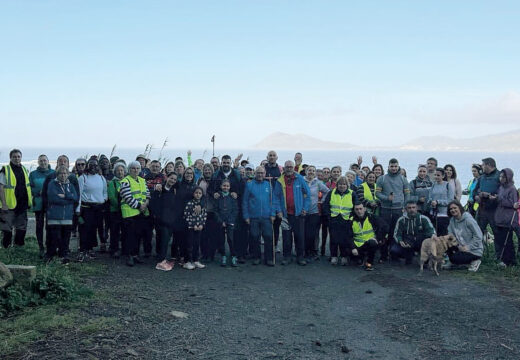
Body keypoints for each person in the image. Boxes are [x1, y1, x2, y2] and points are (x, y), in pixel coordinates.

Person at [273, 160, 311, 266]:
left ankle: (300, 257)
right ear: (284, 168)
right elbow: (275, 197)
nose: (289, 168)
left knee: (299, 236)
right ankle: (287, 256)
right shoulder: (279, 181)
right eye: (287, 167)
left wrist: (305, 208)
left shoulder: (300, 179)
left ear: (293, 168)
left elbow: (307, 194)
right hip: (285, 215)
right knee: (286, 237)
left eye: (290, 166)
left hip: (298, 214)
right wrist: (279, 211)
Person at [376, 158, 410, 262]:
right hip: (385, 210)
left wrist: (406, 206)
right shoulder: (381, 179)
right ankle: (383, 254)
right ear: (388, 166)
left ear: (398, 166)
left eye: (395, 166)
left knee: (396, 232)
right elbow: (377, 194)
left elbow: (407, 194)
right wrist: (387, 198)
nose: (394, 168)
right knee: (384, 232)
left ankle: (394, 253)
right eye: (392, 166)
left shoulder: (403, 179)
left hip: (398, 210)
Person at [242, 166, 276, 266]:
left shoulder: (268, 185)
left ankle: (269, 258)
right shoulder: (249, 185)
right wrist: (246, 216)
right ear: (255, 174)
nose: (260, 175)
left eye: (262, 173)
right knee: (255, 236)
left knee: (268, 237)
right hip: (253, 217)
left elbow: (273, 201)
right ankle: (256, 257)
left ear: (265, 174)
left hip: (267, 216)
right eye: (258, 173)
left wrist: (273, 213)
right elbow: (245, 201)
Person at [45, 165, 78, 264]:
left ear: (68, 174)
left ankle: (63, 256)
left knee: (65, 238)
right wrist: (68, 200)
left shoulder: (70, 185)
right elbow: (53, 198)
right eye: (61, 173)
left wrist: (65, 196)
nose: (63, 175)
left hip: (67, 217)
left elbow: (75, 197)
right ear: (57, 174)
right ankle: (50, 256)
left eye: (65, 173)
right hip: (55, 217)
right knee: (54, 238)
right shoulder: (52, 184)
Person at [120, 161, 150, 266]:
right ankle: (129, 257)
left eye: (137, 168)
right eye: (133, 168)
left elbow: (147, 194)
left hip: (141, 213)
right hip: (130, 213)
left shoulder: (142, 180)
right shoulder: (125, 181)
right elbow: (127, 197)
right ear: (129, 170)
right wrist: (139, 206)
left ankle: (135, 255)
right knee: (130, 236)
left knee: (138, 236)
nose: (136, 170)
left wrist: (145, 204)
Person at [77, 158, 108, 261]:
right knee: (84, 230)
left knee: (93, 230)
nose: (93, 167)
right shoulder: (83, 178)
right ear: (88, 166)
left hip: (98, 208)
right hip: (86, 208)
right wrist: (78, 209)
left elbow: (105, 192)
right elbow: (79, 194)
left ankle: (90, 250)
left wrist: (103, 199)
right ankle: (82, 251)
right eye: (91, 165)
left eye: (95, 165)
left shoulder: (101, 178)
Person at [322, 176, 357, 265]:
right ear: (337, 185)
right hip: (334, 218)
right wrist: (329, 216)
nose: (342, 186)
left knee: (345, 239)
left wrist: (351, 218)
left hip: (346, 219)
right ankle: (334, 256)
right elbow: (325, 205)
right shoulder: (331, 193)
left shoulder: (352, 194)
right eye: (340, 184)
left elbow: (356, 207)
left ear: (347, 185)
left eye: (344, 184)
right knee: (333, 238)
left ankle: (343, 256)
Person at [0, 149, 32, 248]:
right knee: (7, 228)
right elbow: (0, 187)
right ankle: (6, 247)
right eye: (14, 156)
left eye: (18, 156)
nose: (17, 158)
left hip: (22, 204)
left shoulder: (24, 169)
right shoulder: (5, 170)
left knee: (21, 227)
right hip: (9, 205)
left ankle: (19, 247)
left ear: (21, 157)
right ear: (10, 158)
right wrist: (4, 204)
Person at [390, 200, 435, 264]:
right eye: (409, 208)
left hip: (420, 243)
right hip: (406, 242)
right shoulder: (401, 220)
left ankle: (423, 256)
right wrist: (400, 241)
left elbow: (431, 231)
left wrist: (432, 236)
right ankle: (406, 257)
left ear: (417, 208)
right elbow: (396, 234)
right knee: (394, 251)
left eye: (413, 207)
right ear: (406, 209)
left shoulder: (424, 219)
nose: (412, 210)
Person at [444, 201, 483, 272]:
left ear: (460, 208)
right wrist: (457, 245)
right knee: (446, 243)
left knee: (454, 258)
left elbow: (479, 236)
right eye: (451, 209)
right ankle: (454, 261)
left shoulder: (469, 220)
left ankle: (474, 261)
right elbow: (450, 235)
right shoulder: (452, 220)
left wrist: (468, 247)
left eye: (455, 208)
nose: (453, 210)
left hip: (474, 250)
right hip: (460, 247)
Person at [347, 202, 386, 271]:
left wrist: (377, 238)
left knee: (372, 243)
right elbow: (348, 236)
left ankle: (369, 262)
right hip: (358, 245)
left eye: (360, 209)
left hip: (370, 242)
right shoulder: (351, 220)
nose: (359, 211)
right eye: (357, 209)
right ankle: (360, 258)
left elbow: (384, 227)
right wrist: (353, 248)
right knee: (349, 252)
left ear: (364, 209)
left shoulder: (372, 217)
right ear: (354, 210)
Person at [29, 154, 54, 256]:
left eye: (44, 160)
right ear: (38, 162)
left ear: (48, 162)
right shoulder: (33, 174)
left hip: (50, 204)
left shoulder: (54, 173)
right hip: (38, 203)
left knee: (50, 226)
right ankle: (41, 247)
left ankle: (49, 247)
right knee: (39, 226)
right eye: (41, 161)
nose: (43, 162)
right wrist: (37, 191)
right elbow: (29, 188)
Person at [493, 169, 518, 267]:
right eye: (500, 176)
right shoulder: (501, 187)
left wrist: (499, 199)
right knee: (500, 239)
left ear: (508, 177)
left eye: (503, 177)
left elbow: (513, 204)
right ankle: (504, 259)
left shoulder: (512, 188)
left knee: (507, 240)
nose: (501, 178)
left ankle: (510, 260)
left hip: (507, 217)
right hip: (499, 216)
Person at [303, 165, 330, 261]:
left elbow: (327, 192)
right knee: (303, 233)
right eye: (309, 170)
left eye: (313, 171)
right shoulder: (301, 181)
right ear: (306, 171)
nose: (311, 172)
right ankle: (304, 252)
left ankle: (311, 252)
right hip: (303, 211)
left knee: (312, 234)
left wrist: (321, 201)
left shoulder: (318, 183)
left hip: (314, 212)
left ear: (315, 173)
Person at [155, 172, 179, 271]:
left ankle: (162, 259)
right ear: (167, 177)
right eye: (171, 178)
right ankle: (160, 262)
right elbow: (154, 202)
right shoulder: (160, 189)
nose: (172, 181)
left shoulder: (174, 190)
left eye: (174, 179)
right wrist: (158, 216)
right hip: (161, 219)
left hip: (170, 219)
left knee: (166, 239)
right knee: (163, 239)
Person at [474, 157, 500, 236]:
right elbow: (475, 191)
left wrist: (491, 195)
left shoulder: (499, 176)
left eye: (483, 165)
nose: (481, 167)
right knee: (477, 233)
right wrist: (477, 196)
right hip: (482, 208)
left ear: (489, 165)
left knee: (498, 234)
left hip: (495, 210)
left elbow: (504, 192)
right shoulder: (481, 177)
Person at [215, 179, 239, 267]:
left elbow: (235, 210)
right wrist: (221, 221)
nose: (225, 187)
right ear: (221, 186)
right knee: (221, 240)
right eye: (224, 186)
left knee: (231, 239)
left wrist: (230, 221)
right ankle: (223, 255)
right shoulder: (218, 197)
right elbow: (215, 210)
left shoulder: (232, 197)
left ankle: (233, 255)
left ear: (230, 187)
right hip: (220, 222)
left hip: (230, 222)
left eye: (227, 186)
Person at [145, 160, 166, 257]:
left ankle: (159, 252)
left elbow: (166, 191)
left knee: (159, 232)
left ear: (160, 168)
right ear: (150, 167)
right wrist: (154, 190)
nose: (155, 168)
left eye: (157, 166)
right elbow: (144, 191)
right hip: (148, 207)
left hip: (160, 209)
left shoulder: (163, 178)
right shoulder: (145, 178)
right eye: (153, 166)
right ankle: (147, 251)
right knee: (147, 232)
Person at [183, 187, 207, 270]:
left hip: (199, 227)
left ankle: (196, 260)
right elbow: (186, 215)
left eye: (200, 193)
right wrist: (193, 225)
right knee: (189, 244)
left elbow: (204, 215)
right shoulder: (190, 203)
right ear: (193, 194)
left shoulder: (202, 204)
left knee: (197, 244)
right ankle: (187, 261)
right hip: (191, 227)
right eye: (196, 193)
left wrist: (202, 225)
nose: (198, 194)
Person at [264, 151, 283, 251]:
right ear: (267, 157)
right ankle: (267, 245)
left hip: (277, 201)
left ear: (277, 157)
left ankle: (275, 245)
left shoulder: (280, 170)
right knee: (267, 225)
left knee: (276, 225)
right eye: (270, 156)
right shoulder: (264, 169)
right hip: (265, 201)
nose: (272, 157)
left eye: (273, 155)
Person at [427, 168, 454, 236]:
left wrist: (438, 202)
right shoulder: (433, 185)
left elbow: (450, 200)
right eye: (435, 175)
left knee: (443, 235)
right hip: (433, 214)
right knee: (434, 234)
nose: (436, 177)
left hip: (444, 214)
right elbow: (429, 197)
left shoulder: (448, 185)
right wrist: (431, 202)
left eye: (438, 175)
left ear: (443, 176)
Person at [107, 162, 126, 258]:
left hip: (126, 211)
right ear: (115, 172)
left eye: (121, 170)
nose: (120, 172)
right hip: (115, 211)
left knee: (125, 231)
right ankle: (114, 249)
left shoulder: (127, 182)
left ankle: (124, 249)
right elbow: (111, 197)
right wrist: (119, 206)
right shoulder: (112, 183)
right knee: (114, 231)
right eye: (118, 170)